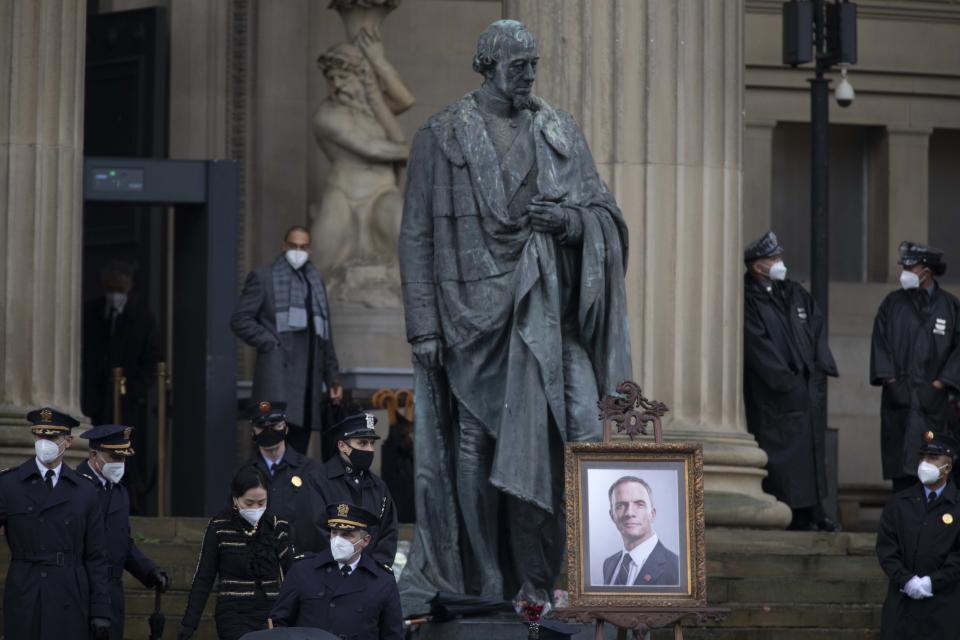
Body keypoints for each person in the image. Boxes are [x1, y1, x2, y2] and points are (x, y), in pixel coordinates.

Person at [397, 18, 632, 606]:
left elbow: (603, 211)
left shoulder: (558, 130)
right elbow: (416, 235)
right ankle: (487, 572)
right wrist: (422, 323)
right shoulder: (441, 134)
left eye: (533, 63)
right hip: (467, 314)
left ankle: (583, 569)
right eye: (518, 64)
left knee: (584, 427)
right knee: (475, 441)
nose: (529, 74)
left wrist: (571, 222)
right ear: (487, 65)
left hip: (549, 314)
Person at [743, 230, 840, 531]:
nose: (778, 262)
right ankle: (793, 514)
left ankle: (814, 511)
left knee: (811, 455)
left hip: (807, 390)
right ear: (756, 264)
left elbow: (817, 330)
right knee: (785, 460)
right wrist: (786, 381)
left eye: (779, 256)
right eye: (772, 258)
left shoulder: (795, 293)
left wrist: (817, 372)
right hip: (776, 396)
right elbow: (757, 345)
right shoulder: (749, 298)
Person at [0, 407, 111, 639]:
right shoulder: (10, 484)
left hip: (69, 589)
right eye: (41, 436)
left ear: (68, 441)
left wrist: (101, 609)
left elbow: (96, 556)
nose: (45, 443)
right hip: (25, 589)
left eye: (53, 437)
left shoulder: (85, 490)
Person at [231, 226, 343, 454]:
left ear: (310, 250)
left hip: (307, 387)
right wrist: (269, 342)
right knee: (271, 459)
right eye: (293, 246)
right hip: (277, 382)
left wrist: (333, 377)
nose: (298, 251)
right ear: (284, 247)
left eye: (303, 247)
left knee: (296, 462)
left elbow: (324, 335)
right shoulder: (264, 277)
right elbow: (240, 319)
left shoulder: (315, 283)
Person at [871, 241, 960, 492]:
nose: (906, 272)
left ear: (927, 270)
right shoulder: (892, 304)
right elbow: (880, 345)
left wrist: (939, 384)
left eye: (912, 266)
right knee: (902, 469)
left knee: (934, 465)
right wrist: (891, 382)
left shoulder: (950, 307)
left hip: (933, 403)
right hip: (899, 400)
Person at [76, 424, 171, 640]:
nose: (120, 464)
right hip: (81, 590)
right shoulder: (75, 487)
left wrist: (149, 571)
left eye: (123, 458)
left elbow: (122, 542)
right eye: (114, 457)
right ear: (94, 455)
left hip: (112, 593)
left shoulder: (119, 492)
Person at [81, 258, 160, 512]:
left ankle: (129, 503)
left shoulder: (143, 319)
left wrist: (135, 391)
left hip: (128, 401)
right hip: (95, 399)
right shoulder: (91, 313)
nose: (115, 294)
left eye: (120, 289)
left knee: (125, 454)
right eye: (111, 288)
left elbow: (152, 360)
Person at [178, 467, 293, 640]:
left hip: (270, 612)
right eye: (248, 503)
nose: (256, 508)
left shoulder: (278, 526)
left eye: (261, 503)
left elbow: (292, 574)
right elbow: (204, 577)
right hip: (232, 614)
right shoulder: (220, 526)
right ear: (235, 499)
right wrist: (189, 623)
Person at [269, 502, 403, 639]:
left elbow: (392, 635)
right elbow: (279, 622)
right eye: (334, 533)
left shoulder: (382, 580)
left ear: (365, 541)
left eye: (347, 535)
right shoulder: (303, 570)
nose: (337, 541)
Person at [877, 431, 960, 638]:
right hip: (902, 609)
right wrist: (907, 580)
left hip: (944, 609)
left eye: (933, 458)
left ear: (948, 467)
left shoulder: (957, 506)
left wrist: (933, 581)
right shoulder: (899, 503)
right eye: (922, 457)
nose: (925, 463)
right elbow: (887, 549)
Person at [300, 413, 398, 568]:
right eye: (363, 443)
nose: (370, 449)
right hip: (329, 574)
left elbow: (388, 533)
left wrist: (375, 570)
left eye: (372, 443)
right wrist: (347, 564)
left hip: (369, 577)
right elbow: (316, 529)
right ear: (342, 446)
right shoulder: (318, 480)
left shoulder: (379, 487)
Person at [237, 400, 318, 551]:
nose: (269, 431)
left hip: (299, 558)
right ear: (253, 432)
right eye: (262, 427)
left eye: (275, 425)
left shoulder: (310, 470)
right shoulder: (243, 473)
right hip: (259, 558)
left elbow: (318, 520)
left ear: (286, 428)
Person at [601, 476, 679, 586]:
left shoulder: (677, 567)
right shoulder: (609, 564)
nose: (629, 513)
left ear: (652, 514)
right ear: (612, 516)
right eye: (620, 506)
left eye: (639, 505)